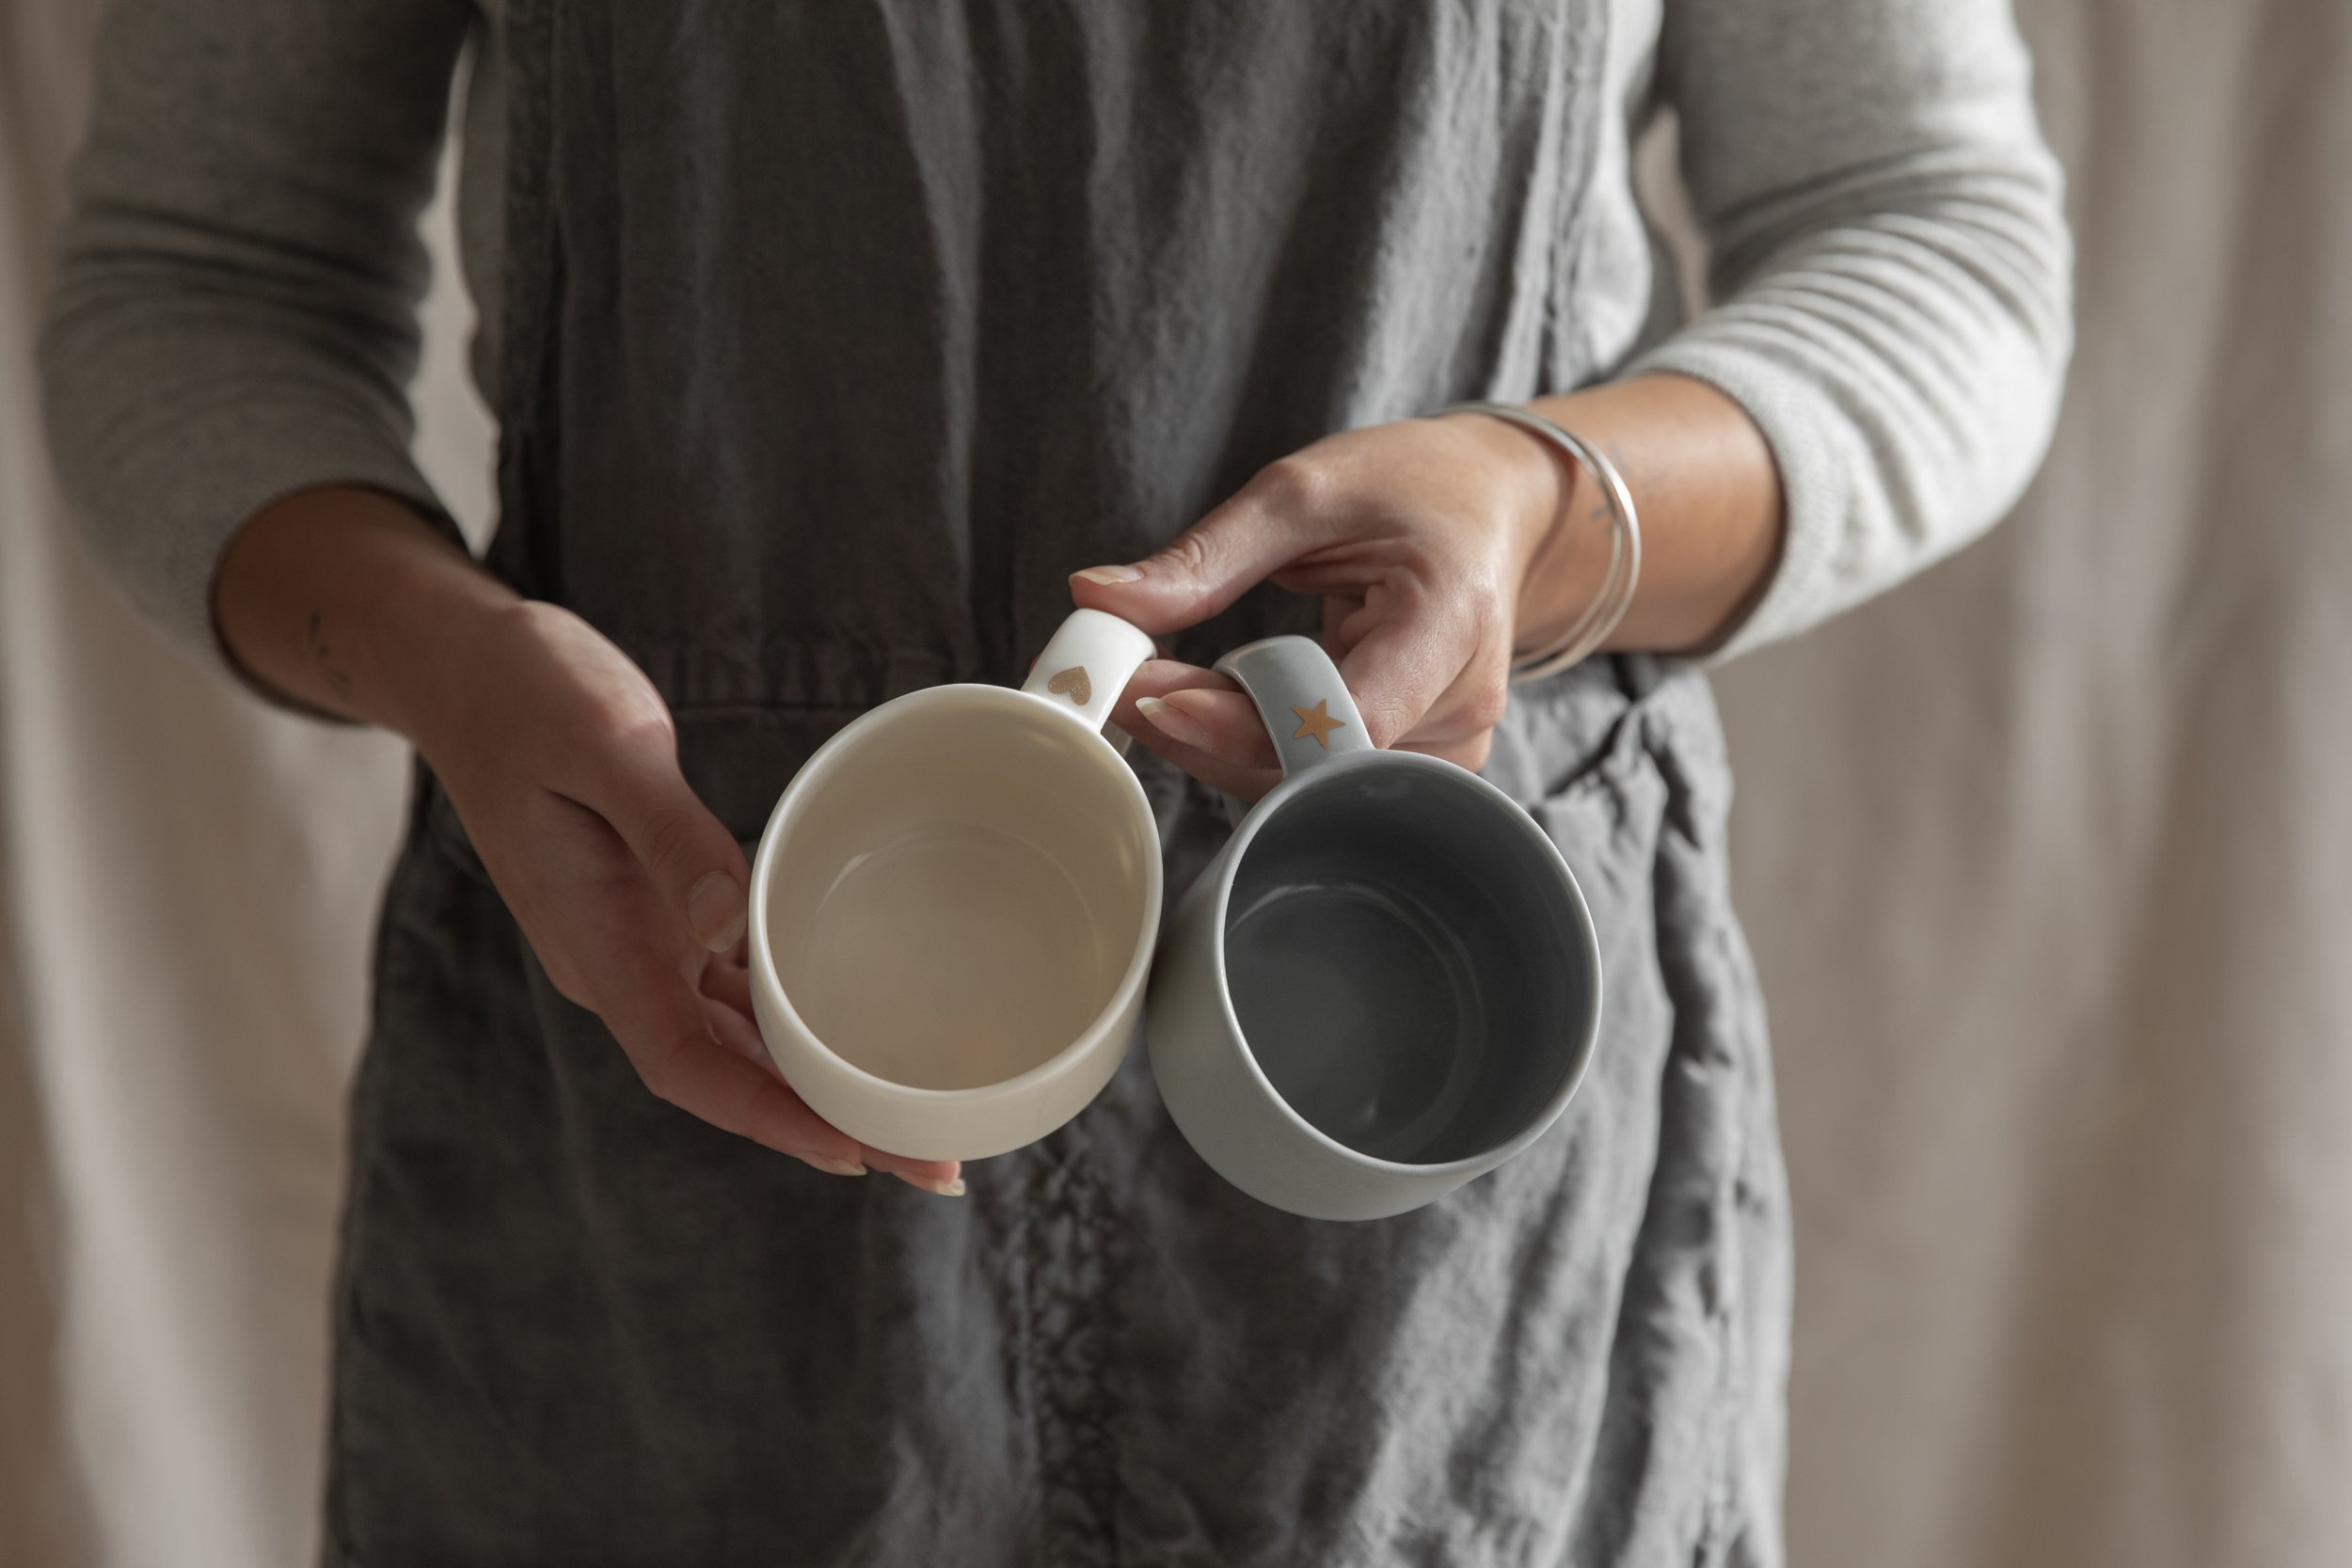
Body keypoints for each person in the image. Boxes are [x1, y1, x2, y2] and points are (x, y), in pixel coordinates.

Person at [39, 0, 2070, 1561]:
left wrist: (1548, 511)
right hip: (675, 1076)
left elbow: (1928, 234)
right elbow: (201, 278)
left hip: (1409, 1101)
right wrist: (449, 662)